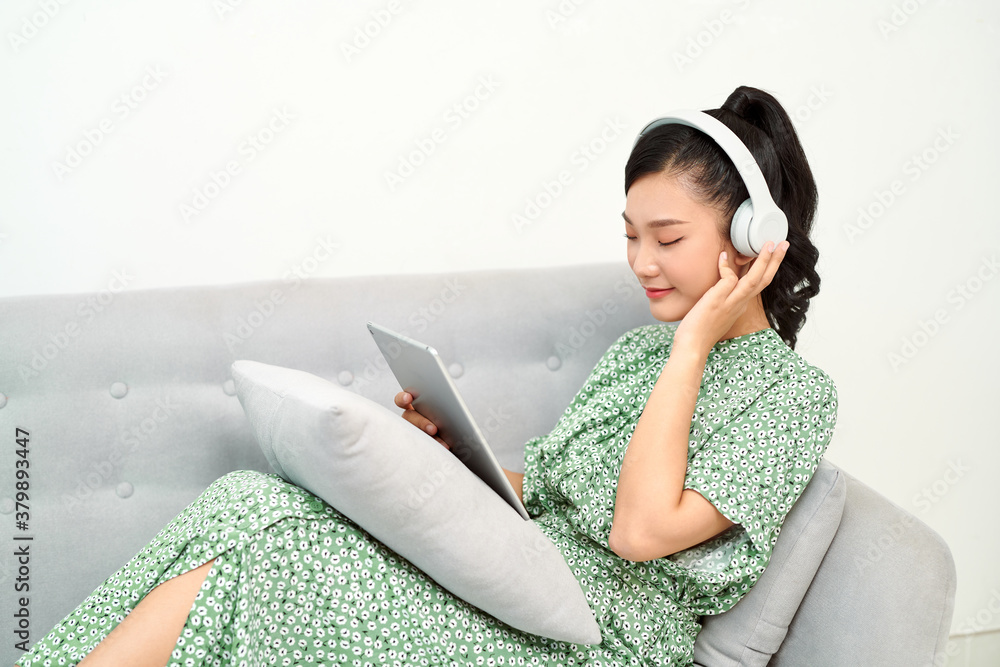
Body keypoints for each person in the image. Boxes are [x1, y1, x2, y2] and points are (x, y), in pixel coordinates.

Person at [15, 84, 837, 667]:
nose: (641, 263)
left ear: (753, 236)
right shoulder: (637, 357)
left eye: (667, 237)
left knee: (270, 561)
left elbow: (639, 531)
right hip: (518, 585)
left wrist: (694, 345)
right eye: (629, 235)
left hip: (591, 643)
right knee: (253, 500)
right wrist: (454, 456)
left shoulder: (794, 399)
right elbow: (549, 496)